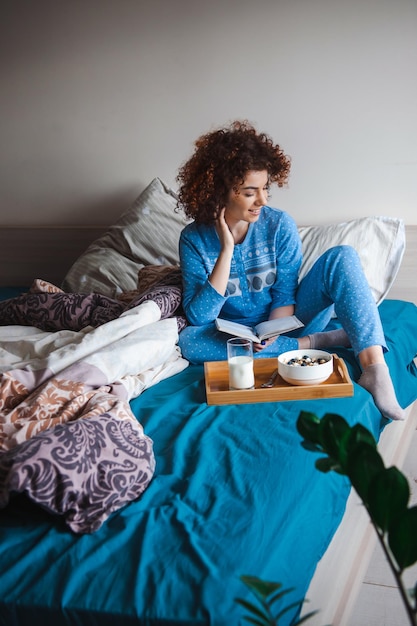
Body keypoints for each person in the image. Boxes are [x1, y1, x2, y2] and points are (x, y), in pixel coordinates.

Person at [176, 120, 405, 421]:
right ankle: (316, 343)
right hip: (231, 338)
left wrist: (273, 333)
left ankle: (375, 368)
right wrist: (226, 250)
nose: (263, 200)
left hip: (288, 321)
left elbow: (285, 293)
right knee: (188, 341)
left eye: (265, 189)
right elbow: (199, 317)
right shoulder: (193, 239)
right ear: (219, 193)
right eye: (249, 192)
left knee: (343, 257)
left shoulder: (279, 225)